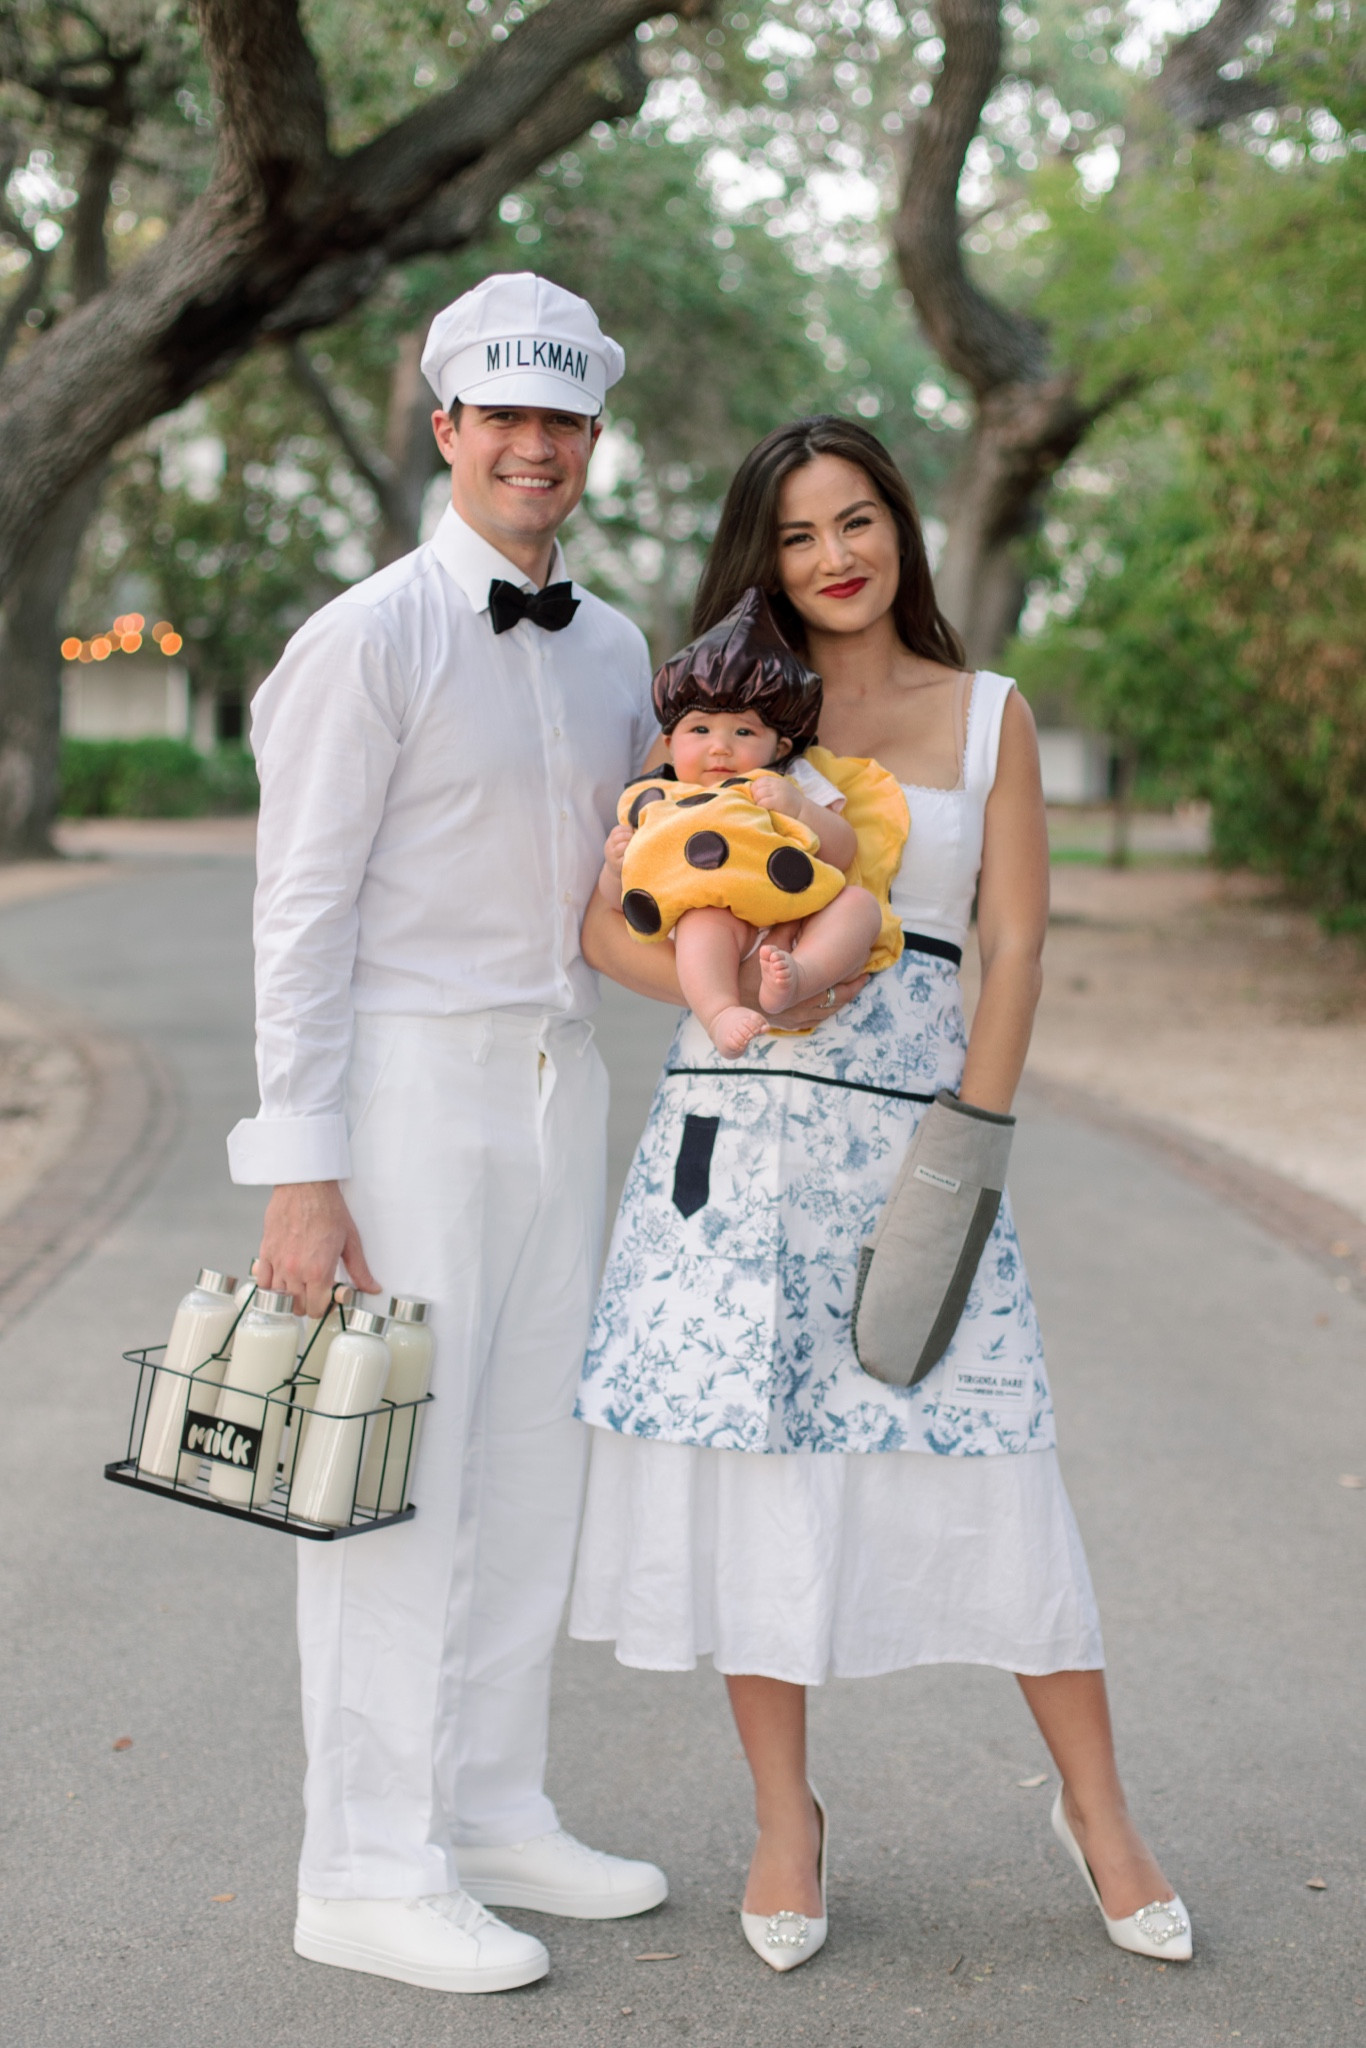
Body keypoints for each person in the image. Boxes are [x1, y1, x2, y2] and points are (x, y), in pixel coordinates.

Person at [570, 416, 1193, 1973]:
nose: (832, 556)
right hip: (730, 1147)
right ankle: (787, 1821)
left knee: (993, 1458)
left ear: (900, 529)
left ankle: (1099, 1815)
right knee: (753, 1470)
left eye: (856, 521)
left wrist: (975, 1122)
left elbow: (1019, 942)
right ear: (757, 555)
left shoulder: (989, 716)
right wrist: (740, 1003)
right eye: (794, 535)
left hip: (913, 1141)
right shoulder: (716, 712)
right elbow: (607, 929)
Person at [226, 272, 684, 1997]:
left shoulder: (623, 643)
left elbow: (647, 872)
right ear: (447, 430)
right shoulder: (371, 634)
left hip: (563, 1079)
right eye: (504, 416)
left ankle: (487, 1806)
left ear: (587, 441)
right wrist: (302, 1166)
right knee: (390, 1475)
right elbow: (299, 917)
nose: (534, 446)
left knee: (525, 1463)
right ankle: (358, 1862)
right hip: (408, 1086)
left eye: (562, 420)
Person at [599, 586, 892, 1057]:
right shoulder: (658, 802)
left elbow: (843, 850)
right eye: (701, 730)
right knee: (702, 922)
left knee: (859, 906)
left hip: (798, 912)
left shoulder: (792, 780)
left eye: (743, 731)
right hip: (720, 913)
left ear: (778, 746)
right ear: (670, 742)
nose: (721, 746)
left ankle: (803, 976)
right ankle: (719, 1009)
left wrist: (798, 809)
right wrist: (615, 867)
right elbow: (618, 904)